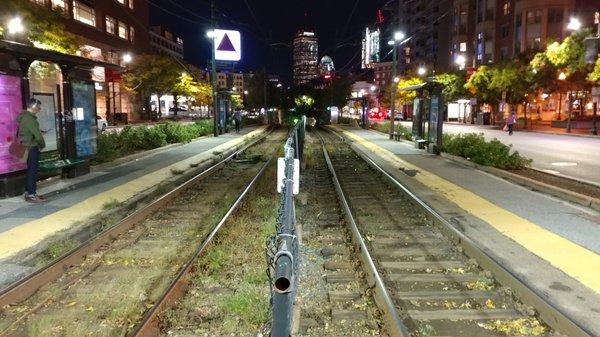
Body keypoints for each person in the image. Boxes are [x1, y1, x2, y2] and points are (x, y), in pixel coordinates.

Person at [18, 99, 46, 203]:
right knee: (32, 171)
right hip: (31, 147)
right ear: (33, 107)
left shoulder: (24, 117)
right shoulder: (29, 119)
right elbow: (38, 137)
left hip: (27, 146)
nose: (39, 109)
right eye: (38, 107)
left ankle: (29, 193)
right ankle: (31, 195)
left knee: (31, 170)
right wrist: (42, 145)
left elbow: (29, 132)